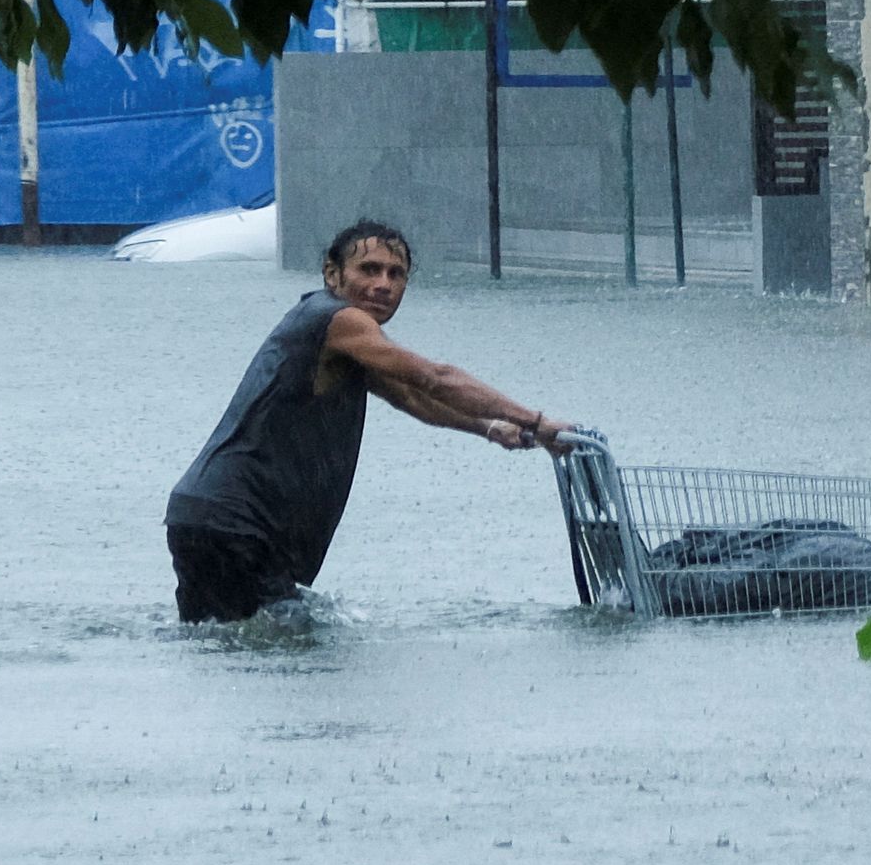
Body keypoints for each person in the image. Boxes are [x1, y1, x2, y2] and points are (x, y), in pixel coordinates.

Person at [164, 218, 573, 624]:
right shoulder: (339, 319)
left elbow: (412, 396)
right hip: (237, 523)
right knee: (278, 651)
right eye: (369, 269)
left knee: (230, 648)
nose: (383, 284)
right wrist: (534, 420)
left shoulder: (340, 338)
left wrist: (487, 427)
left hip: (210, 518)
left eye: (396, 274)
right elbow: (435, 377)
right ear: (332, 273)